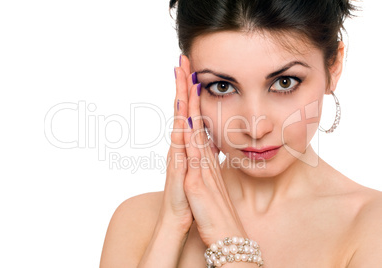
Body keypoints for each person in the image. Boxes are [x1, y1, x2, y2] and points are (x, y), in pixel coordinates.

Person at [100, 0, 382, 267]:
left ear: (333, 67)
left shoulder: (371, 225)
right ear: (188, 81)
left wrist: (228, 242)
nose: (255, 128)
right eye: (222, 87)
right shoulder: (139, 221)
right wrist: (172, 226)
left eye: (285, 82)